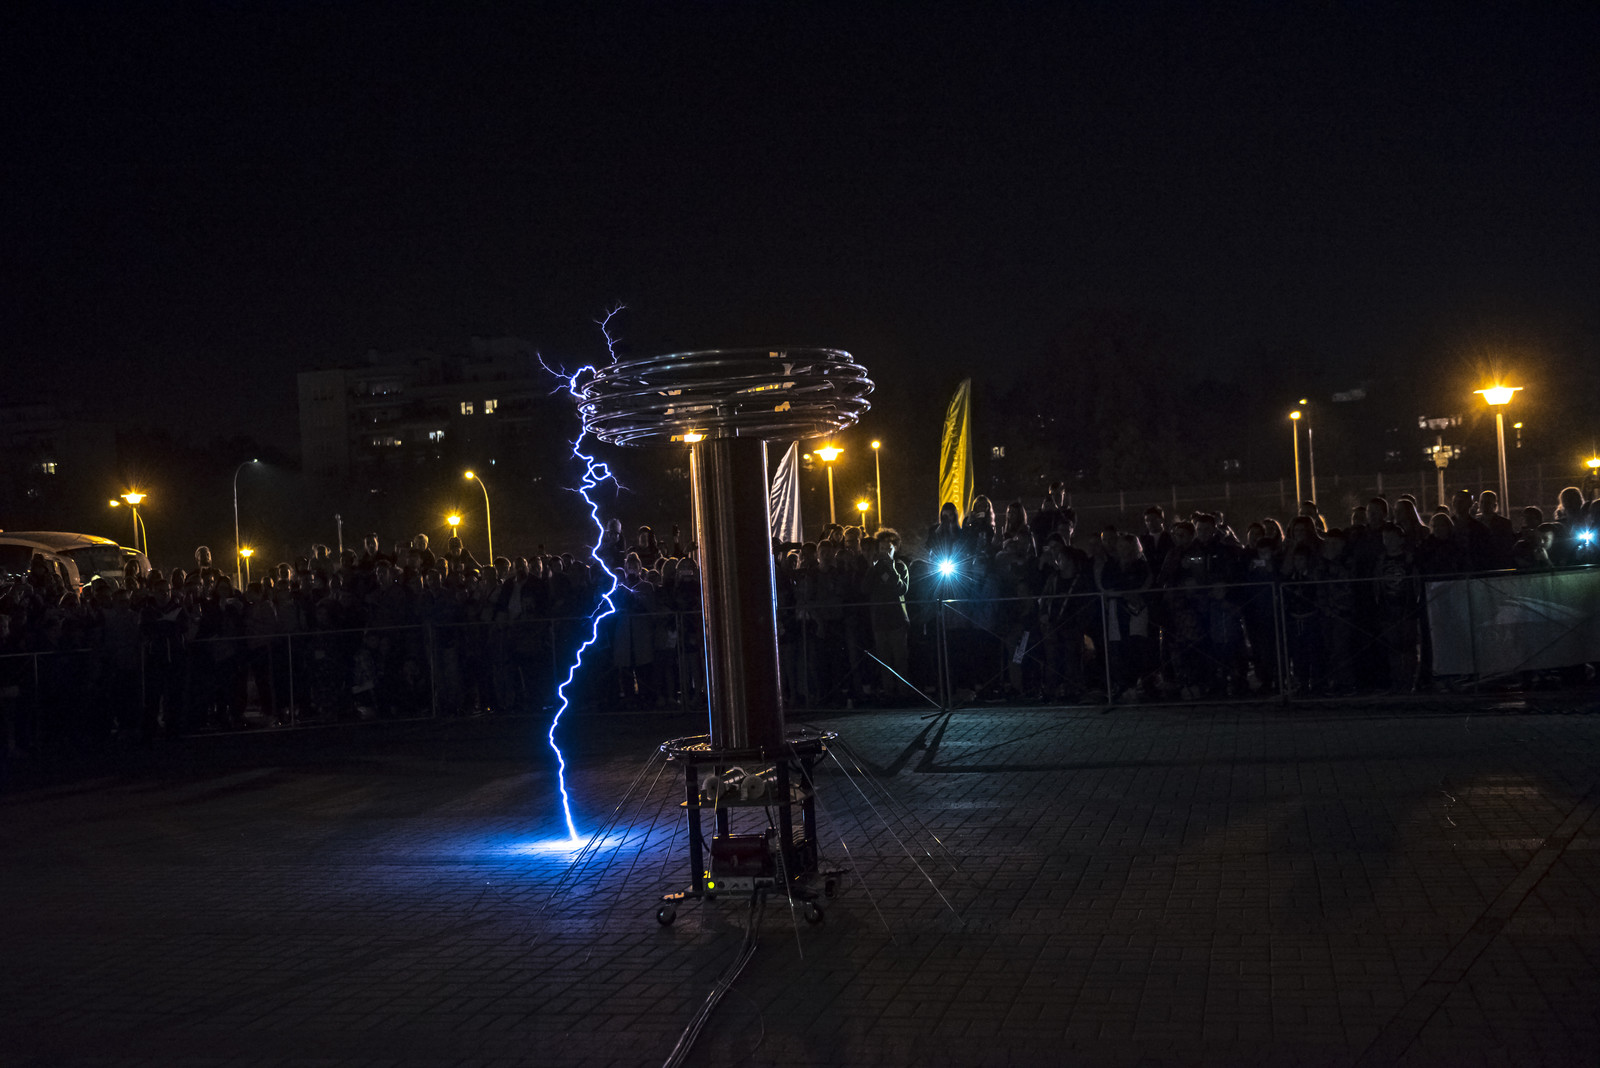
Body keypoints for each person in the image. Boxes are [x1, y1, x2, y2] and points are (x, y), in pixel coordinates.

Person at [862, 528, 911, 702]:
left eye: (888, 548)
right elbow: (865, 588)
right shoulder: (874, 569)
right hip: (879, 620)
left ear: (895, 548)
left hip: (896, 620)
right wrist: (872, 568)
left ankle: (904, 692)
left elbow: (902, 589)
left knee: (900, 658)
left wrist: (892, 569)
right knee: (884, 660)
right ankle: (889, 693)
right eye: (882, 548)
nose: (885, 552)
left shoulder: (900, 566)